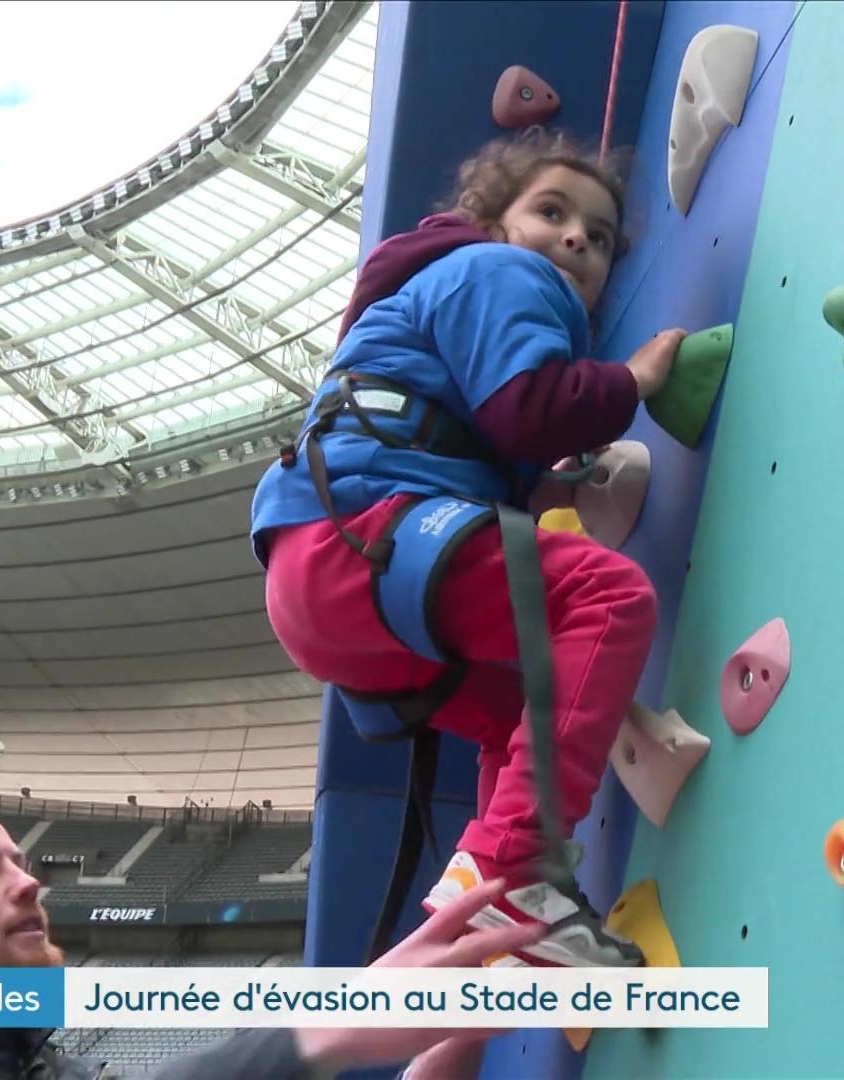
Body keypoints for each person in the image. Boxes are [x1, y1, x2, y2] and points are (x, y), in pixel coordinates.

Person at [249, 128, 685, 969]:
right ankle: (515, 866)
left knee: (522, 703)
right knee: (608, 598)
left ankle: (505, 922)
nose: (575, 241)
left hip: (327, 581)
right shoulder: (496, 269)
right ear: (488, 220)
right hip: (369, 542)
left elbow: (490, 432)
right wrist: (630, 380)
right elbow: (529, 408)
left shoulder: (429, 305)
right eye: (551, 212)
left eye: (598, 238)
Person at [0, 798, 547, 1079]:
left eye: (19, 862)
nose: (29, 882)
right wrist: (319, 1032)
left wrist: (439, 1048)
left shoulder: (33, 1059)